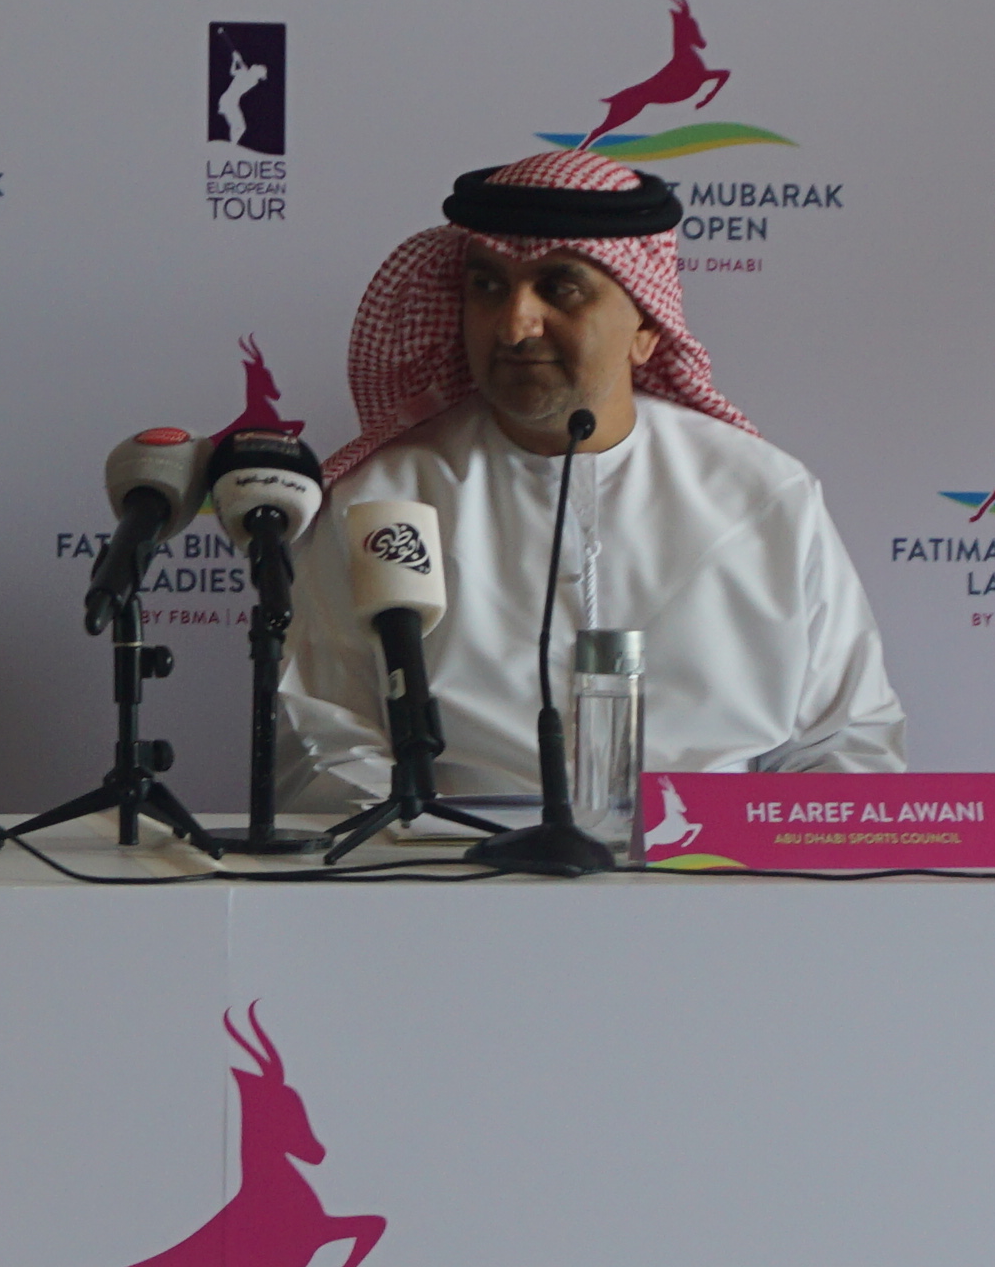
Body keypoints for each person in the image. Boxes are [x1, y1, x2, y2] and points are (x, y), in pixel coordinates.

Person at [279, 151, 899, 815]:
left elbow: (848, 742)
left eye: (562, 287)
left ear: (647, 326)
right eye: (488, 286)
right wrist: (434, 850)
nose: (515, 324)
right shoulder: (383, 500)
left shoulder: (762, 494)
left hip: (715, 867)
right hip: (449, 862)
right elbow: (325, 748)